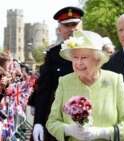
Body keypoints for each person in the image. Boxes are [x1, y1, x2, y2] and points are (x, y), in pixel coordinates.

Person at [46, 30, 124, 141]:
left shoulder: (115, 80)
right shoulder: (64, 82)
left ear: (98, 60)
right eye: (75, 57)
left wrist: (104, 133)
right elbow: (52, 122)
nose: (78, 63)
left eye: (84, 57)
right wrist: (68, 130)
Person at [33, 6, 84, 141]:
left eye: (75, 24)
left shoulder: (93, 50)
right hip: (58, 119)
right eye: (67, 25)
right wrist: (38, 122)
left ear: (81, 26)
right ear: (59, 29)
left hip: (89, 115)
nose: (71, 28)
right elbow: (44, 90)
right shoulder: (53, 54)